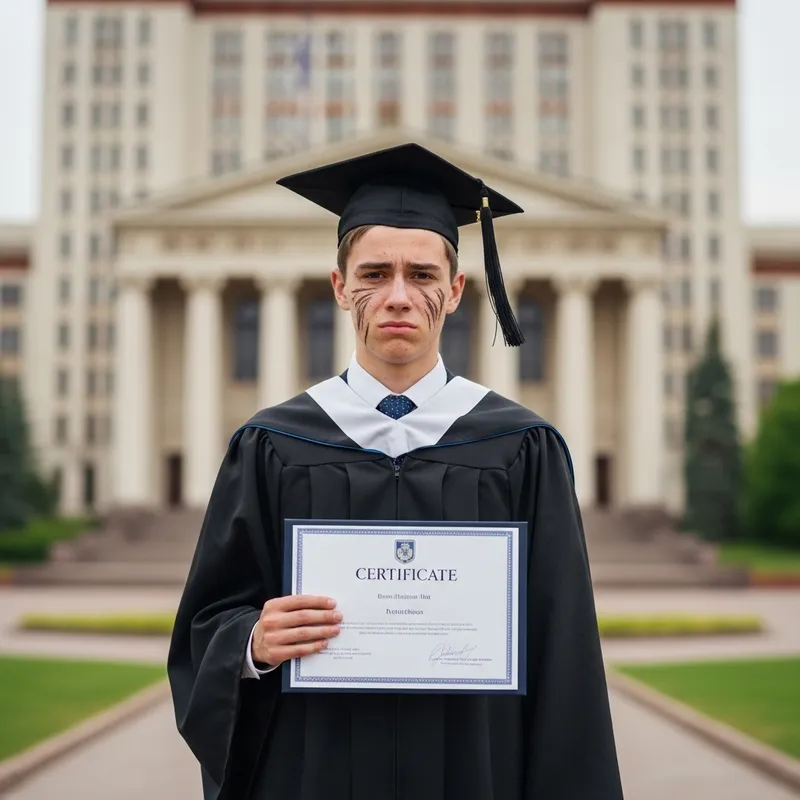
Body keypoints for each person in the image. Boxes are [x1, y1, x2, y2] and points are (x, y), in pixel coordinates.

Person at [167, 143, 623, 800]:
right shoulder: (272, 444)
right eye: (375, 273)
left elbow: (564, 660)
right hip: (310, 775)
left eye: (422, 274)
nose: (399, 296)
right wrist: (253, 643)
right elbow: (207, 624)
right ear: (340, 286)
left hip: (477, 775)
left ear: (457, 289)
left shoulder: (522, 448)